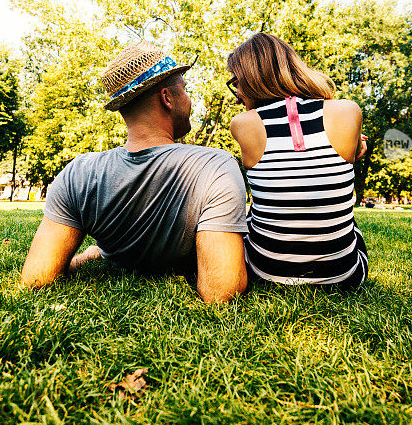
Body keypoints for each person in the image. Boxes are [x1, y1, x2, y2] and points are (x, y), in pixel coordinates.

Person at [20, 40, 249, 303]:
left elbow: (37, 278)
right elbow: (222, 292)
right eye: (184, 90)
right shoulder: (215, 166)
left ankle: (99, 254)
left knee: (96, 253)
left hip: (112, 255)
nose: (189, 99)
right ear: (167, 98)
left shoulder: (78, 173)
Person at [227, 32, 369, 288]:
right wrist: (358, 144)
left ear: (250, 78)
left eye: (236, 82)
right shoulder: (347, 110)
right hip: (345, 277)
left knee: (260, 208)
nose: (236, 94)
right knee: (338, 206)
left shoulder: (242, 124)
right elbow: (346, 158)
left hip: (266, 272)